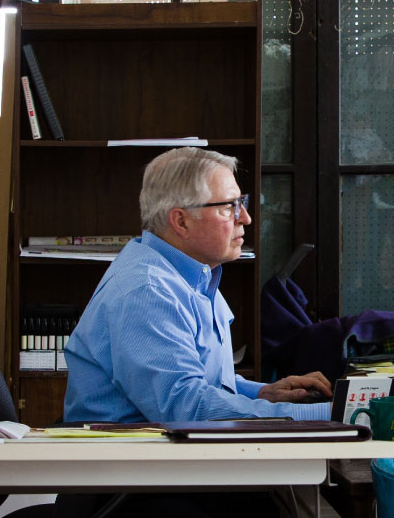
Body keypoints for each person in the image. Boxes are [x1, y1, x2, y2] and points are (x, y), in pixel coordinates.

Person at [56, 148, 336, 518]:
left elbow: (199, 377)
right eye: (229, 207)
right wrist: (324, 418)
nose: (247, 218)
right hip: (129, 487)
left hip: (169, 467)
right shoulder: (147, 291)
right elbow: (185, 405)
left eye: (243, 203)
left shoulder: (191, 273)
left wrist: (262, 392)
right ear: (181, 221)